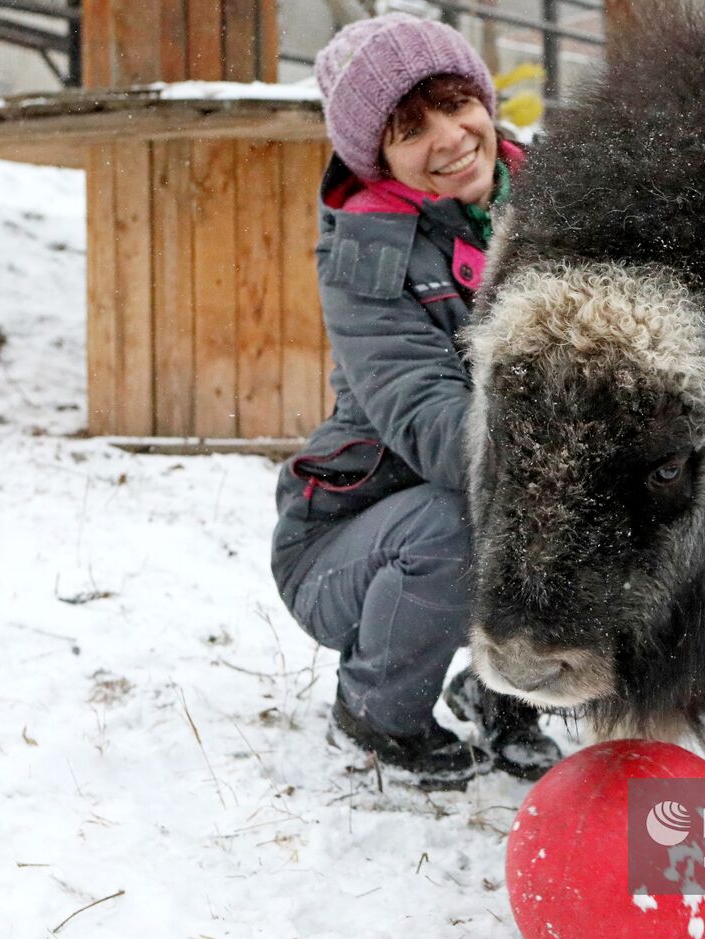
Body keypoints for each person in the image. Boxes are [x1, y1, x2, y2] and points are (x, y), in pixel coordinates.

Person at [270, 13, 561, 791]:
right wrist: (566, 469)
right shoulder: (364, 255)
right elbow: (426, 419)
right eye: (410, 128)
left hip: (482, 501)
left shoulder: (557, 200)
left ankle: (502, 689)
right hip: (352, 547)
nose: (450, 136)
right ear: (379, 156)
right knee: (467, 512)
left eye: (456, 102)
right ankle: (378, 714)